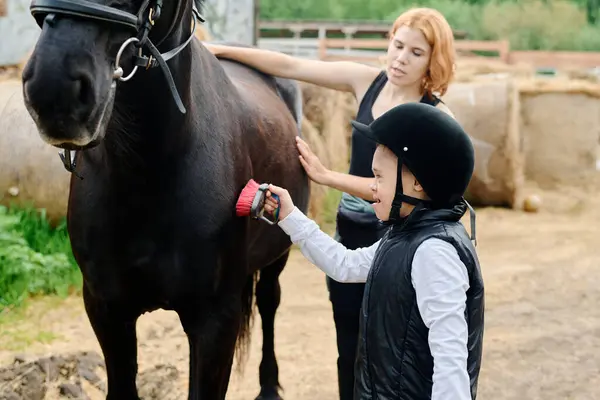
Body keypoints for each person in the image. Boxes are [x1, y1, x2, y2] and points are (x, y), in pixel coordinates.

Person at [204, 8, 458, 399]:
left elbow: (406, 190)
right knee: (348, 346)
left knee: (395, 348)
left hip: (400, 237)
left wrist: (327, 176)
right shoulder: (366, 82)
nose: (400, 58)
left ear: (433, 61)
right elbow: (289, 64)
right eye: (397, 45)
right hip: (352, 229)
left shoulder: (435, 119)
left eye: (416, 53)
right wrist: (215, 50)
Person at [263, 102, 485, 399]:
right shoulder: (405, 236)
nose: (373, 188)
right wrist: (289, 216)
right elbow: (346, 265)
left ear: (418, 182)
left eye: (379, 177)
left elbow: (450, 359)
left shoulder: (434, 251)